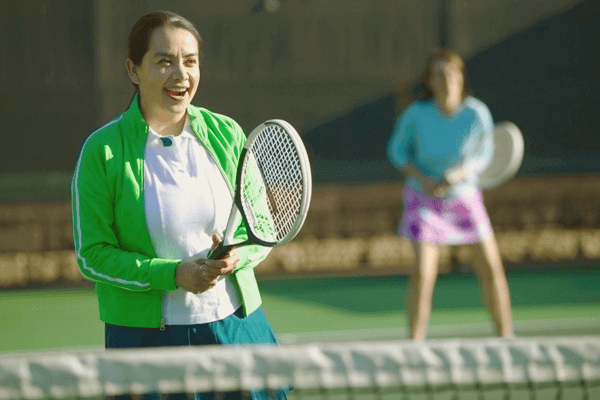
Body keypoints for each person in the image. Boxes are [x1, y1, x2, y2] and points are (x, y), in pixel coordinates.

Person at [71, 11, 287, 399]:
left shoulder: (227, 134)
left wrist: (240, 255)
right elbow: (93, 255)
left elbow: (263, 227)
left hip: (238, 330)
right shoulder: (101, 151)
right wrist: (174, 274)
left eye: (190, 61)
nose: (180, 74)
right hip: (146, 346)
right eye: (164, 61)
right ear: (133, 70)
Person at [386, 49, 514, 341]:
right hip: (424, 201)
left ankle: (507, 339)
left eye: (452, 73)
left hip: (465, 199)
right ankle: (415, 346)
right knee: (423, 273)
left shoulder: (477, 113)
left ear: (461, 77)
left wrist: (461, 172)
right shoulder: (416, 115)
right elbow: (396, 151)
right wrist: (423, 178)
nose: (447, 80)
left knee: (493, 268)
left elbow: (486, 153)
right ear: (430, 81)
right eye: (440, 74)